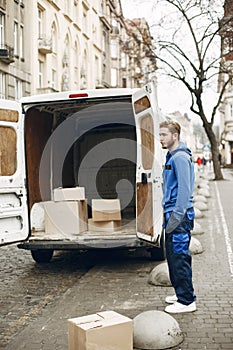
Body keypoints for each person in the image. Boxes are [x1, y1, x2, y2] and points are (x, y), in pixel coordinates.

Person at [159, 120, 196, 314]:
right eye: (160, 135)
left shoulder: (180, 158)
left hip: (178, 216)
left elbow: (184, 192)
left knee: (179, 257)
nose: (161, 138)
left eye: (164, 135)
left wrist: (174, 219)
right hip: (173, 215)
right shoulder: (172, 155)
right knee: (173, 258)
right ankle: (181, 293)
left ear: (175, 136)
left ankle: (187, 300)